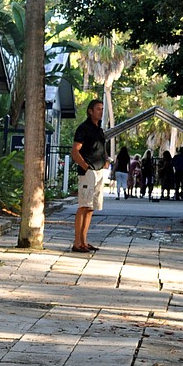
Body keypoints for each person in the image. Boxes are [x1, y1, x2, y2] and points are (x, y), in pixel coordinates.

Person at [71, 99, 106, 252]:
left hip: (99, 171)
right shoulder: (83, 128)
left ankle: (84, 241)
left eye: (102, 109)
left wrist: (106, 161)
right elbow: (75, 151)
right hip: (88, 172)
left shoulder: (99, 129)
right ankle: (77, 242)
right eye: (98, 109)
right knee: (83, 205)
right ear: (90, 111)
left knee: (91, 207)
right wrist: (85, 166)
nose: (101, 111)